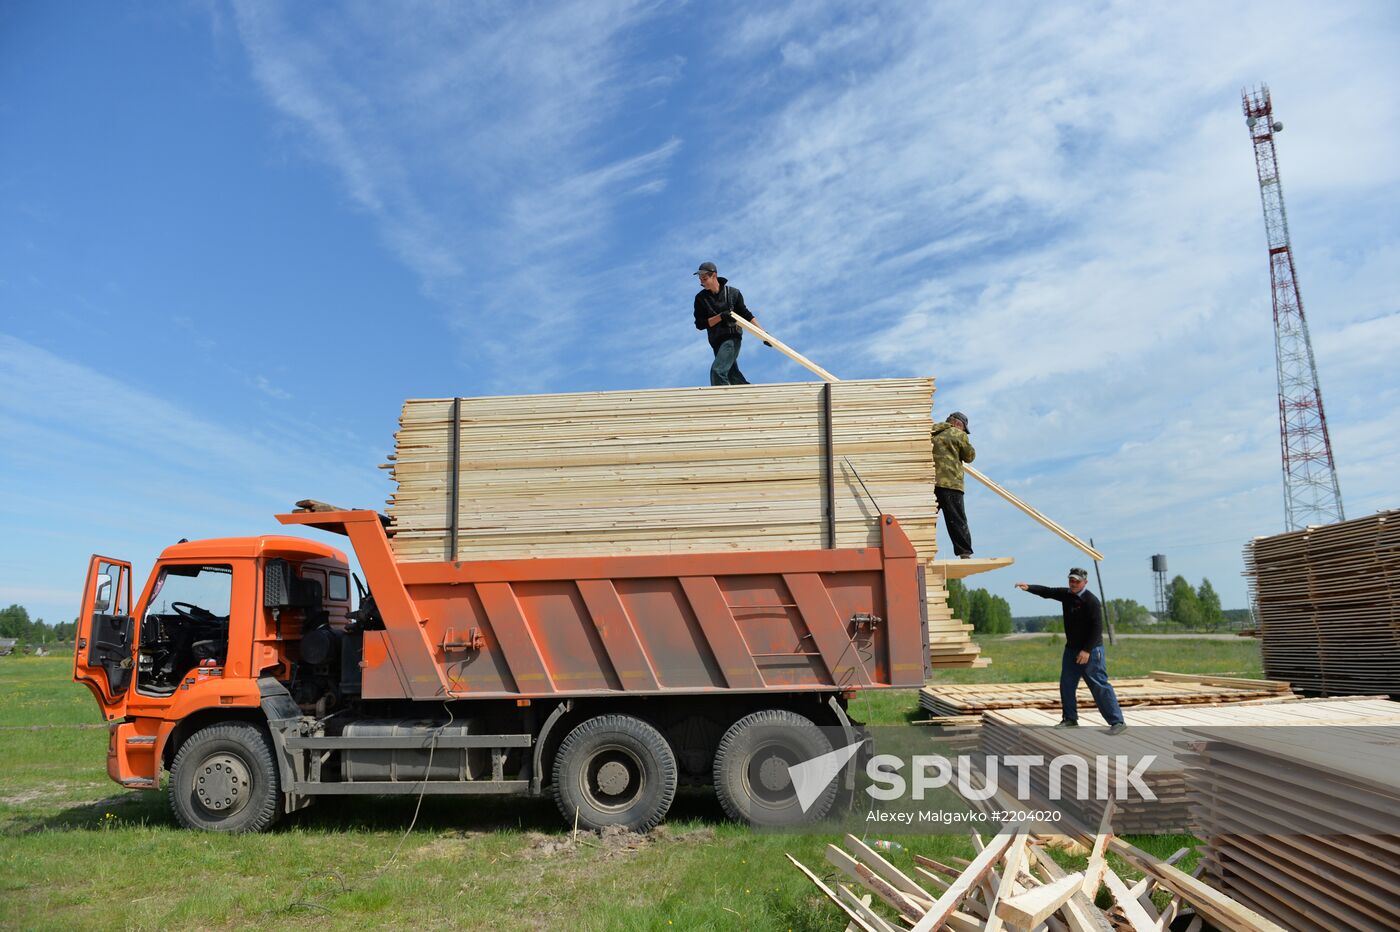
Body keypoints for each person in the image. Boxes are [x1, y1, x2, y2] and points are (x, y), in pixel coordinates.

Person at [1016, 569, 1127, 734]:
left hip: (1091, 651)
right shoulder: (1066, 594)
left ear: (1085, 582)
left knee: (1098, 685)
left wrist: (1086, 650)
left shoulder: (1091, 601)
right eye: (1071, 580)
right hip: (1071, 650)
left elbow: (1097, 628)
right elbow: (1048, 592)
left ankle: (1117, 722)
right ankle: (1070, 719)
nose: (1073, 583)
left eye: (1077, 581)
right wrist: (1029, 587)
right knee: (1066, 684)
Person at [692, 262, 758, 386]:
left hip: (731, 339)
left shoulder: (733, 293)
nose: (702, 282)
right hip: (716, 342)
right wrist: (721, 316)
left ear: (714, 276)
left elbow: (746, 315)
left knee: (717, 371)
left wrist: (763, 333)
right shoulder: (700, 299)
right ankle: (750, 395)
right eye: (700, 279)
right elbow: (700, 324)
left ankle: (722, 402)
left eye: (705, 279)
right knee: (733, 376)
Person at [930, 412, 975, 558]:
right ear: (958, 424)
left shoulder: (931, 432)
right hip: (951, 484)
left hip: (930, 485)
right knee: (956, 519)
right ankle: (964, 553)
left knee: (929, 520)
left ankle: (925, 550)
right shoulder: (958, 434)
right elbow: (969, 456)